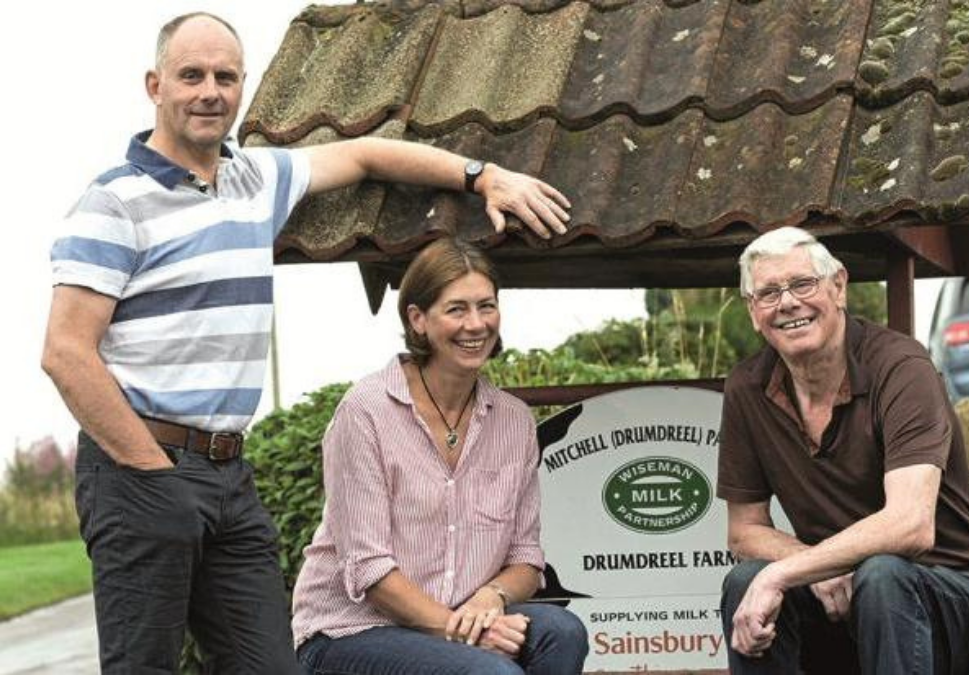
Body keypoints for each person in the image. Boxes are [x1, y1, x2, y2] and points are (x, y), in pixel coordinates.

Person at [41, 12, 572, 674]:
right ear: (155, 85)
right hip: (139, 466)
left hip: (229, 471)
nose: (210, 90)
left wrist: (482, 176)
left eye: (225, 77)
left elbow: (366, 153)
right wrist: (152, 469)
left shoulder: (254, 180)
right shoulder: (113, 204)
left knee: (268, 665)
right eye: (191, 76)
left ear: (242, 87)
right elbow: (65, 352)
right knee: (144, 664)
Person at [716, 227, 969, 674]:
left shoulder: (901, 368)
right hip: (837, 603)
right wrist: (812, 568)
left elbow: (911, 525)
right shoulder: (747, 387)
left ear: (838, 287)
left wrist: (786, 571)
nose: (788, 303)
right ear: (754, 313)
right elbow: (744, 531)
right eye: (769, 293)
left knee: (882, 573)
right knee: (745, 580)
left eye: (802, 284)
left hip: (953, 597)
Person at [290, 237, 588, 674]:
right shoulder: (365, 412)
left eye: (486, 306)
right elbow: (370, 572)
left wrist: (492, 598)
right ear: (418, 319)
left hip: (460, 618)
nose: (476, 324)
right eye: (456, 309)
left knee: (562, 631)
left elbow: (526, 559)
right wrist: (461, 630)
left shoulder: (514, 420)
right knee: (489, 673)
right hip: (352, 631)